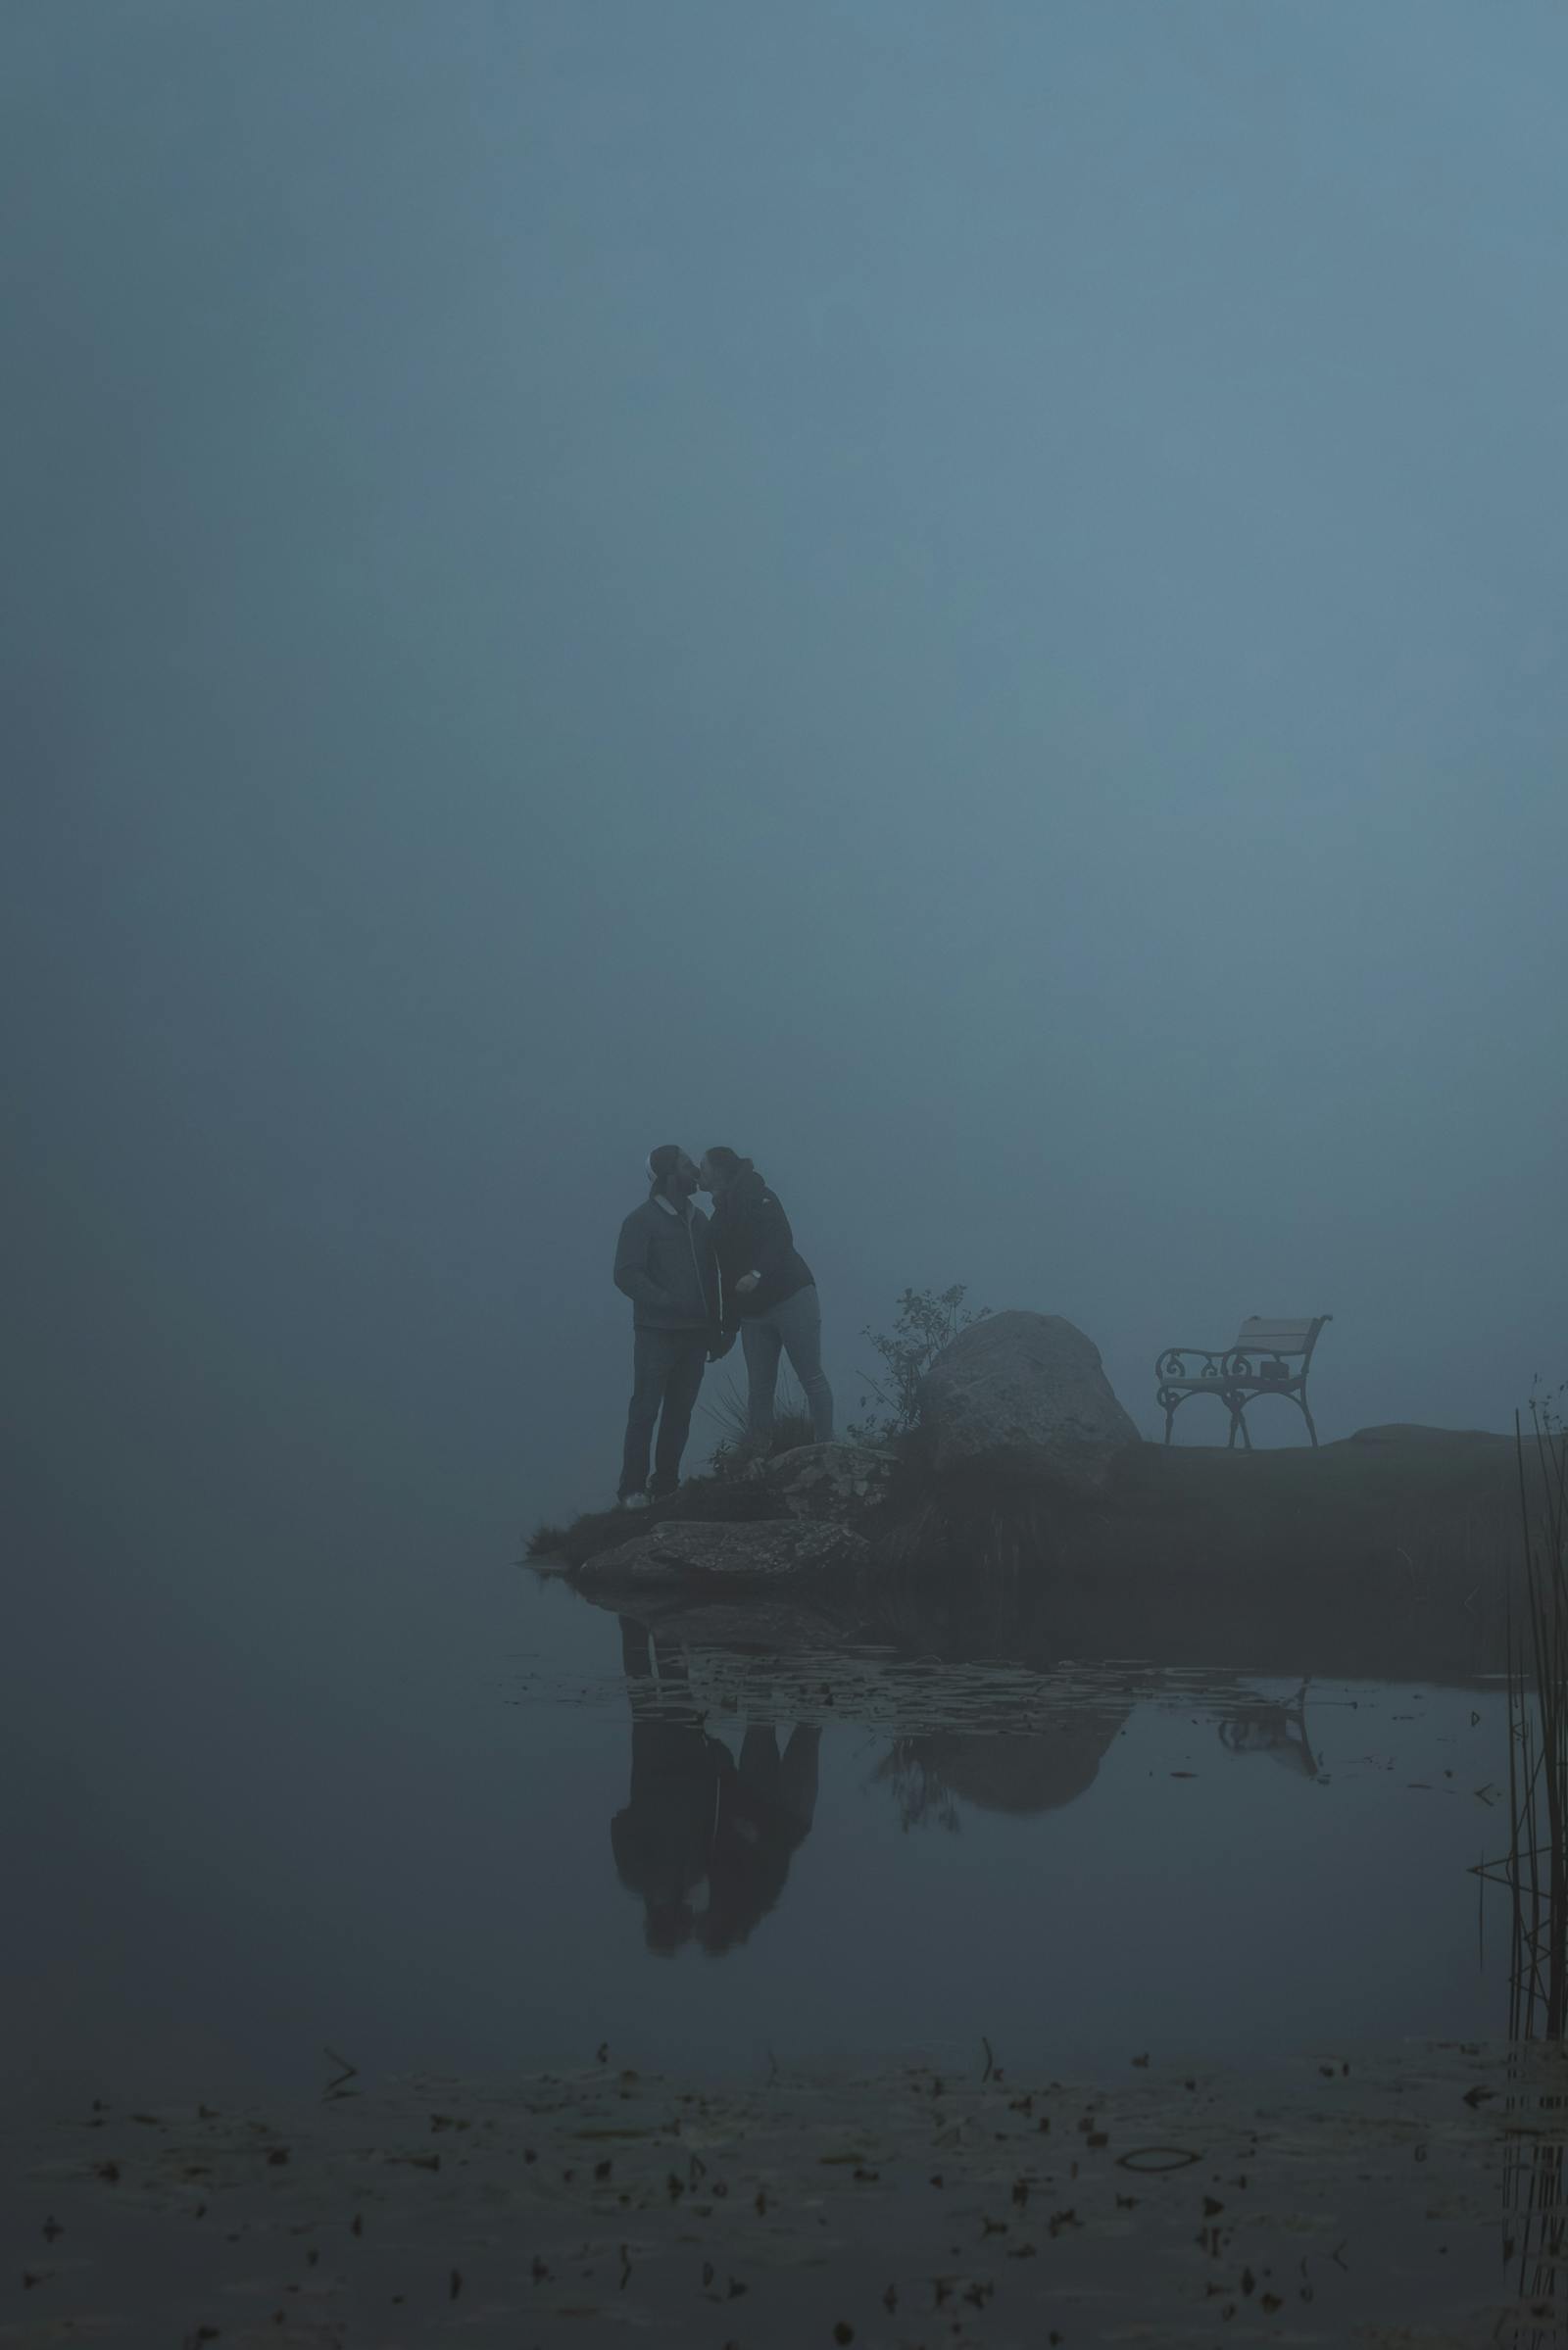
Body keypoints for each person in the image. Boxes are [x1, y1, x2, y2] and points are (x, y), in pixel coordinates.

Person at [612, 1146, 725, 1507]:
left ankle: (665, 1487)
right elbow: (626, 1274)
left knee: (680, 1412)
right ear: (667, 1175)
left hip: (695, 1335)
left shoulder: (700, 1221)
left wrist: (716, 1327)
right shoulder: (640, 1221)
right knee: (645, 1409)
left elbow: (712, 1277)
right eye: (686, 1164)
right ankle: (631, 1490)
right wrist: (666, 1301)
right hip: (655, 1333)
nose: (694, 1170)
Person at [698, 1148, 833, 1444]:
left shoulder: (758, 1194)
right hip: (754, 1313)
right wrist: (728, 1328)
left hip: (791, 1296)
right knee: (760, 1386)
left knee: (810, 1376)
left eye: (703, 1167)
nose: (699, 1173)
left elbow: (781, 1238)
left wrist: (756, 1273)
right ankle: (759, 1451)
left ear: (719, 1171)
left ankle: (826, 1445)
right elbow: (726, 1274)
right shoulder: (718, 1218)